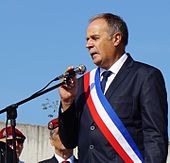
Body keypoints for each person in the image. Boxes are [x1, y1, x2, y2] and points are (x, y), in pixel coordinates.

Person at [58, 13, 168, 163]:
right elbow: (69, 141)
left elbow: (154, 136)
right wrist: (67, 102)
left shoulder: (145, 76)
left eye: (95, 38)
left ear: (116, 38)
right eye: (87, 39)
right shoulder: (83, 83)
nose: (88, 45)